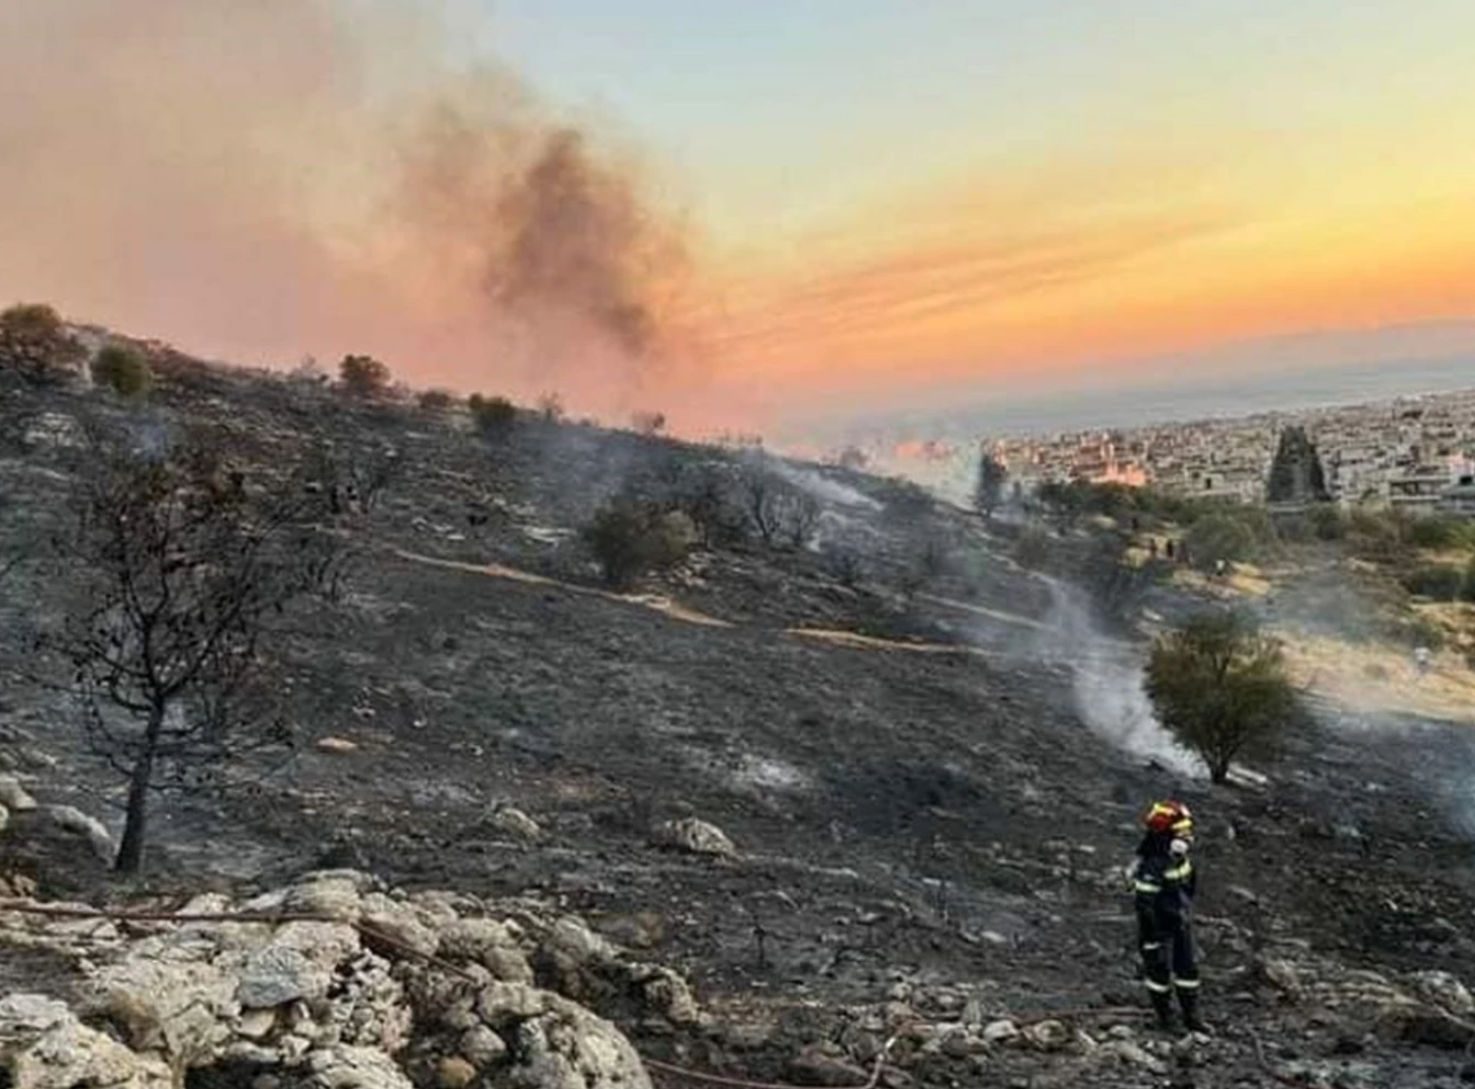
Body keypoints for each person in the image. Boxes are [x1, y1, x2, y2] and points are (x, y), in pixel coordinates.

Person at [1130, 799, 1205, 1032]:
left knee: (1188, 971)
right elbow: (1144, 905)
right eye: (1182, 832)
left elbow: (1189, 885)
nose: (1187, 837)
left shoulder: (1179, 859)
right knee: (1158, 975)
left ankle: (1191, 1016)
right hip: (1158, 927)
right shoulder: (1154, 863)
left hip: (1179, 923)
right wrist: (1152, 938)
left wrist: (1184, 913)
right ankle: (1165, 1018)